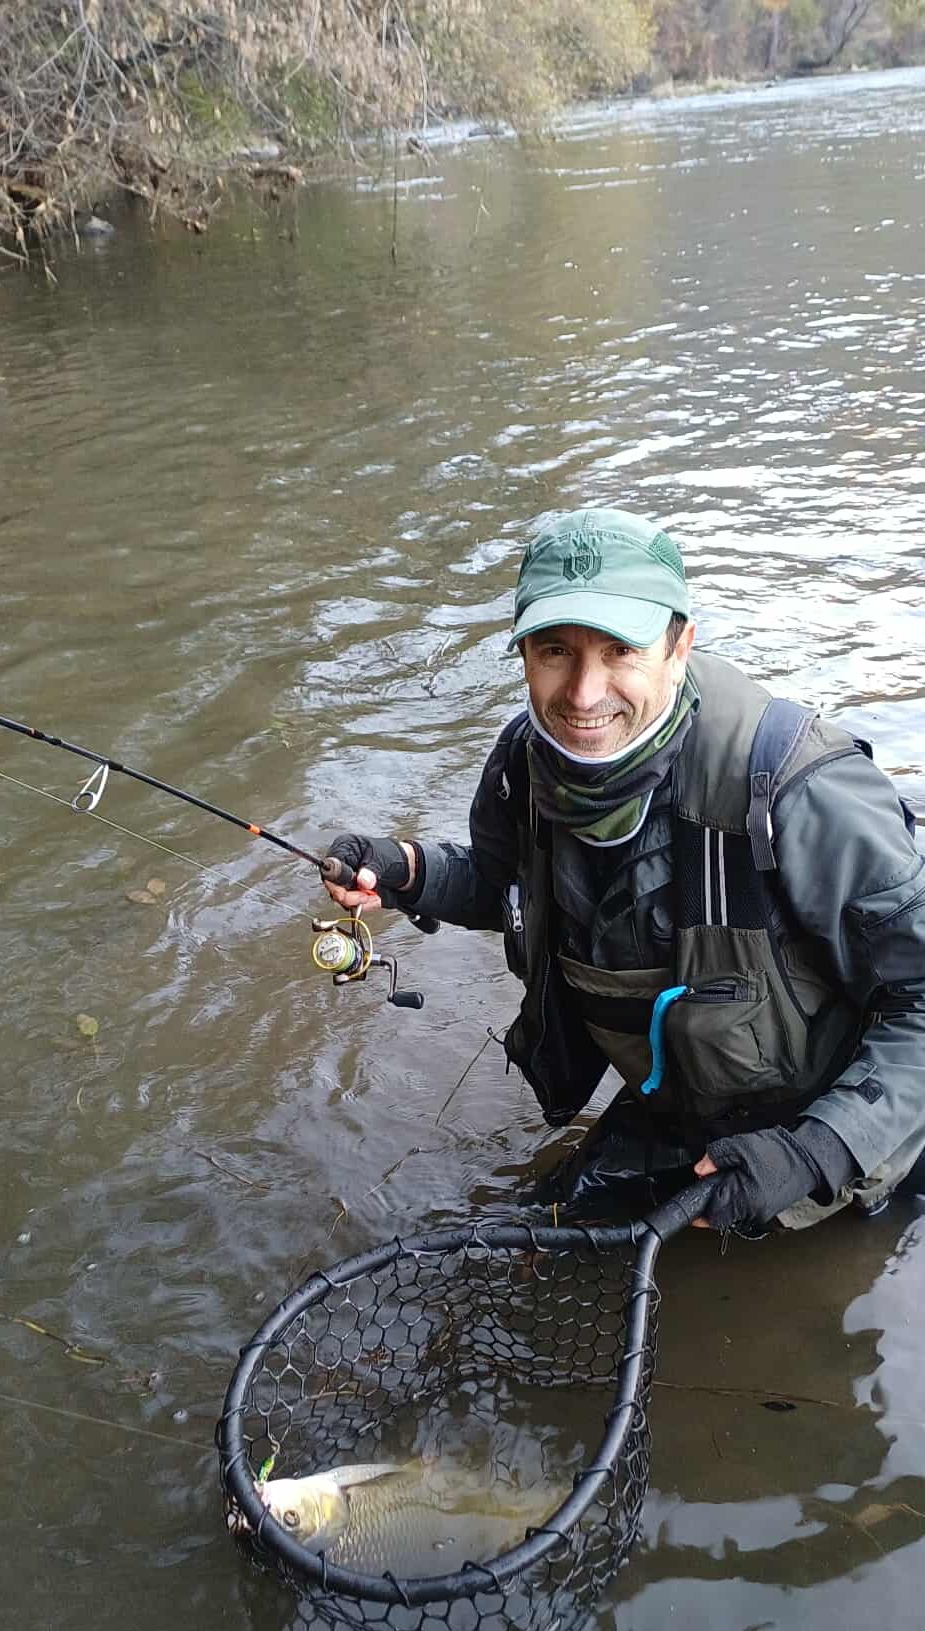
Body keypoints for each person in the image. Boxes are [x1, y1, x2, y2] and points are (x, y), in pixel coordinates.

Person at [324, 507, 925, 1233]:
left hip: (845, 1127)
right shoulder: (523, 765)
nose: (583, 694)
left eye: (620, 651)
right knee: (532, 1231)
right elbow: (510, 891)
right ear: (523, 654)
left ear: (679, 648)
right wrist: (410, 871)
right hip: (686, 1112)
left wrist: (816, 1151)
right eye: (556, 651)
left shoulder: (800, 787)